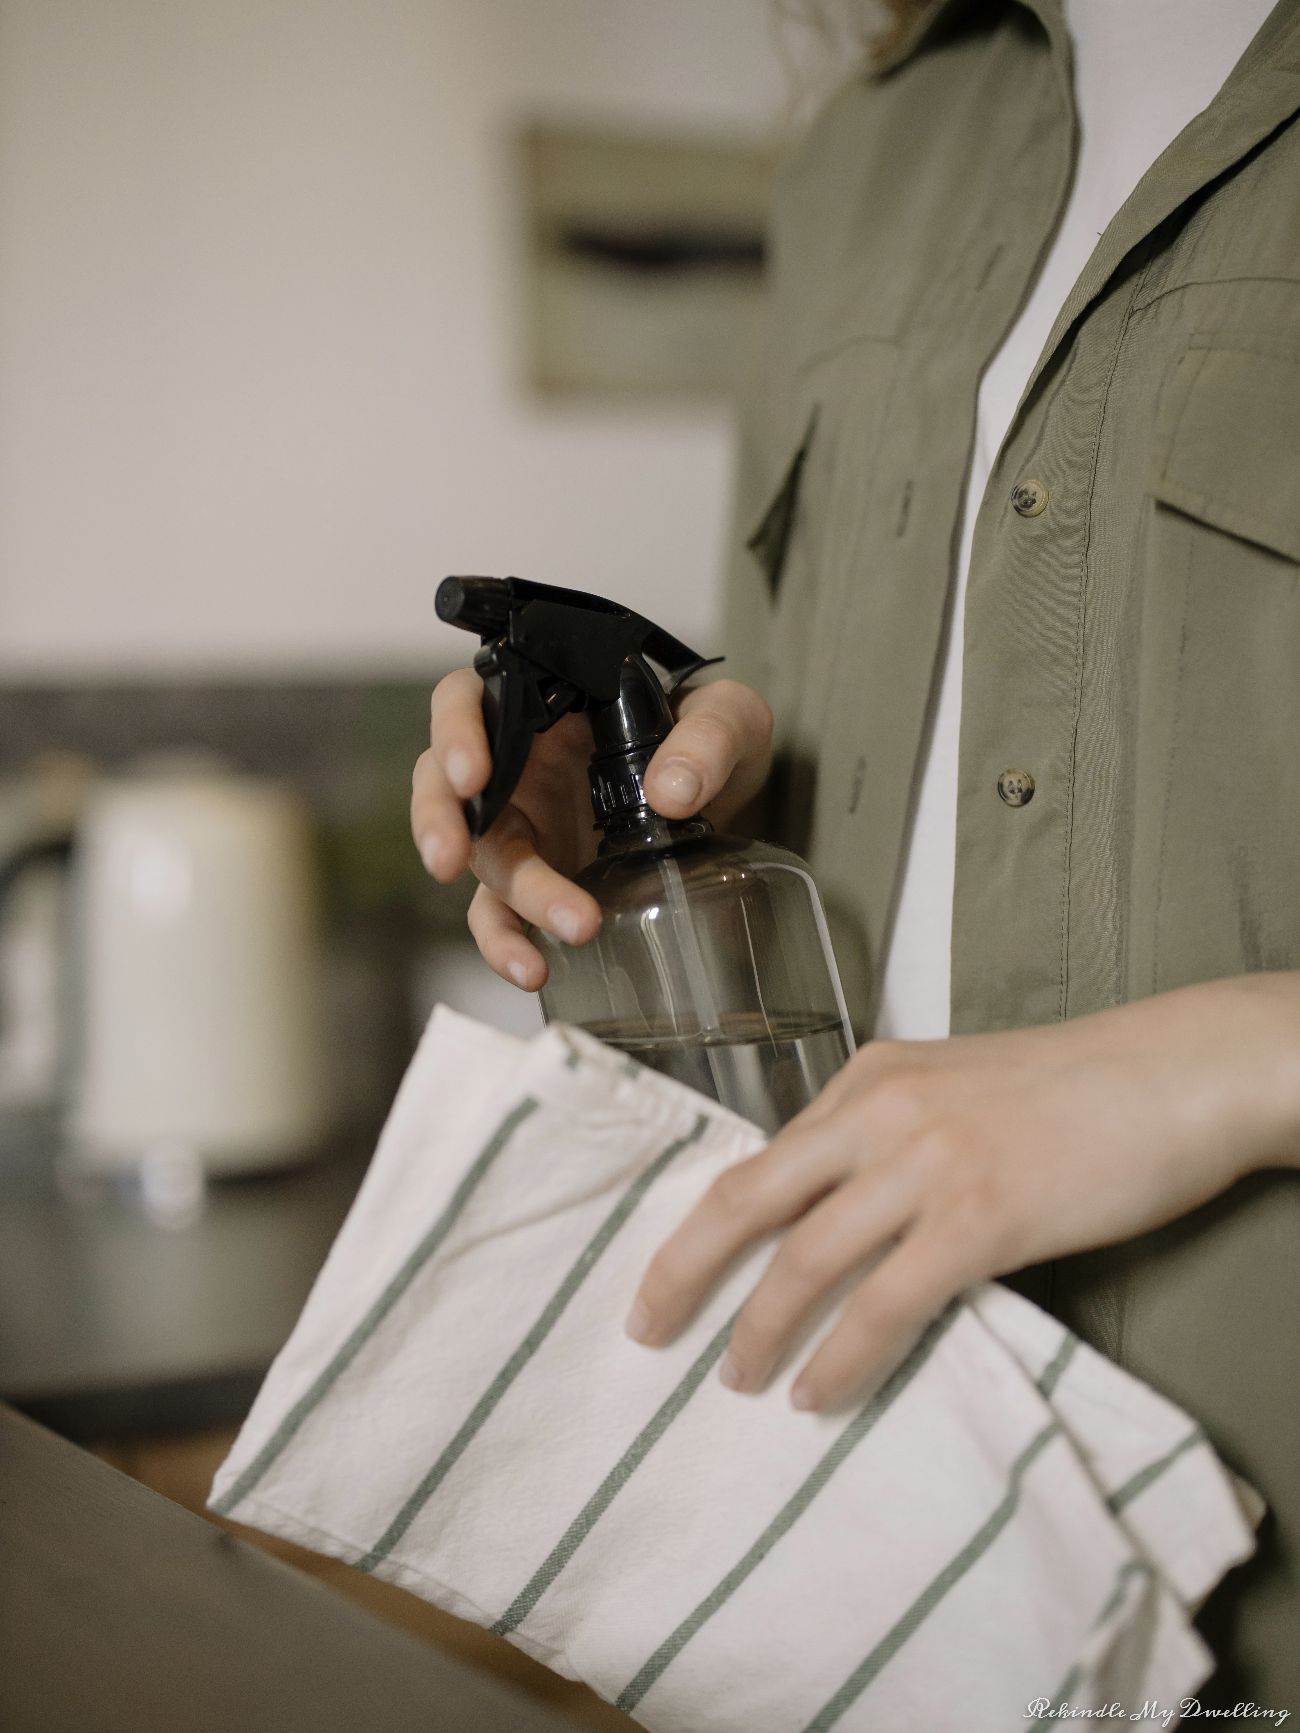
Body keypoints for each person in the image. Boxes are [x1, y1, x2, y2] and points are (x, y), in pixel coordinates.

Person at [412, 0, 1300, 1710]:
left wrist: (1218, 1064)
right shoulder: (863, 158)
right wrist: (646, 782)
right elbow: (859, 736)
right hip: (877, 1557)